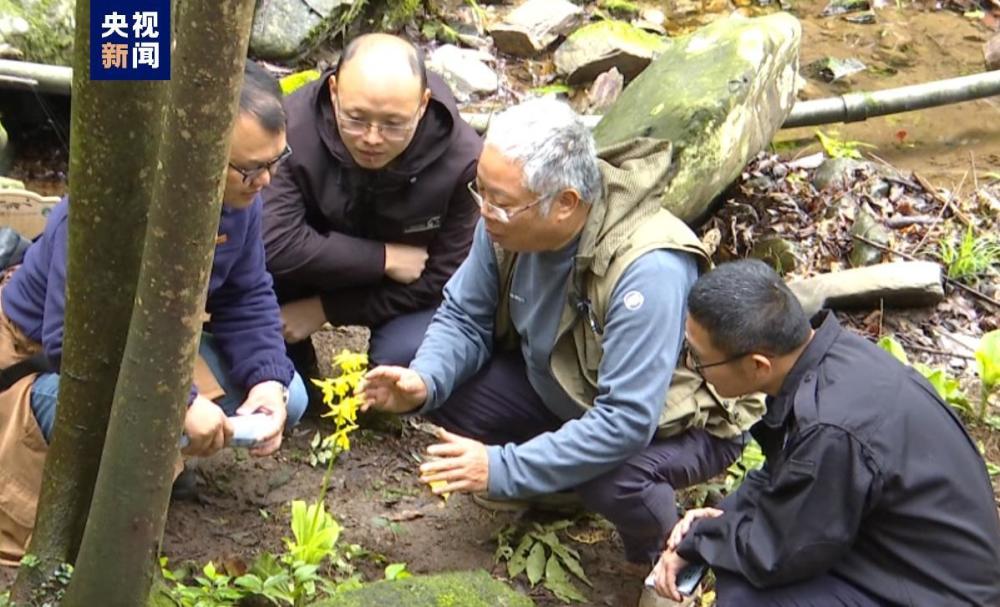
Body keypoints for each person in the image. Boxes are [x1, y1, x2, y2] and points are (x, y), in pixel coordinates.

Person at [358, 98, 764, 595]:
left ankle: (668, 564)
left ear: (566, 203)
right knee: (408, 355)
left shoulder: (647, 267)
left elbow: (626, 422)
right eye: (479, 191)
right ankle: (558, 480)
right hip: (563, 384)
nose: (484, 210)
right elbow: (465, 316)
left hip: (674, 423)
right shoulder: (506, 221)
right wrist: (424, 380)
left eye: (499, 199)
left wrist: (501, 467)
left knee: (614, 477)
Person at [0, 61, 309, 566]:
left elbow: (247, 294)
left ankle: (161, 453)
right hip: (46, 366)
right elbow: (76, 346)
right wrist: (178, 404)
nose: (266, 181)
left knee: (288, 397)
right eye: (250, 168)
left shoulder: (242, 198)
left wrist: (266, 381)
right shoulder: (111, 207)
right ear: (196, 148)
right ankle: (149, 458)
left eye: (276, 161)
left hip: (157, 345)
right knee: (112, 417)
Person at [651, 259, 1000, 606]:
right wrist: (721, 516)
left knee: (746, 596)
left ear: (758, 365)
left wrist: (698, 542)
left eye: (698, 359)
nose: (691, 368)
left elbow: (775, 553)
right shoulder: (831, 358)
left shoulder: (830, 428)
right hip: (902, 553)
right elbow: (784, 472)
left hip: (943, 593)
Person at [262, 33, 482, 383]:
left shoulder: (463, 160)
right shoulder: (292, 126)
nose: (372, 138)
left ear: (423, 104)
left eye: (394, 124)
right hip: (302, 269)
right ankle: (293, 367)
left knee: (406, 358)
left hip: (405, 290)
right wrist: (382, 257)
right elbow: (273, 243)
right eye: (356, 119)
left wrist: (326, 310)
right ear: (333, 91)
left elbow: (446, 276)